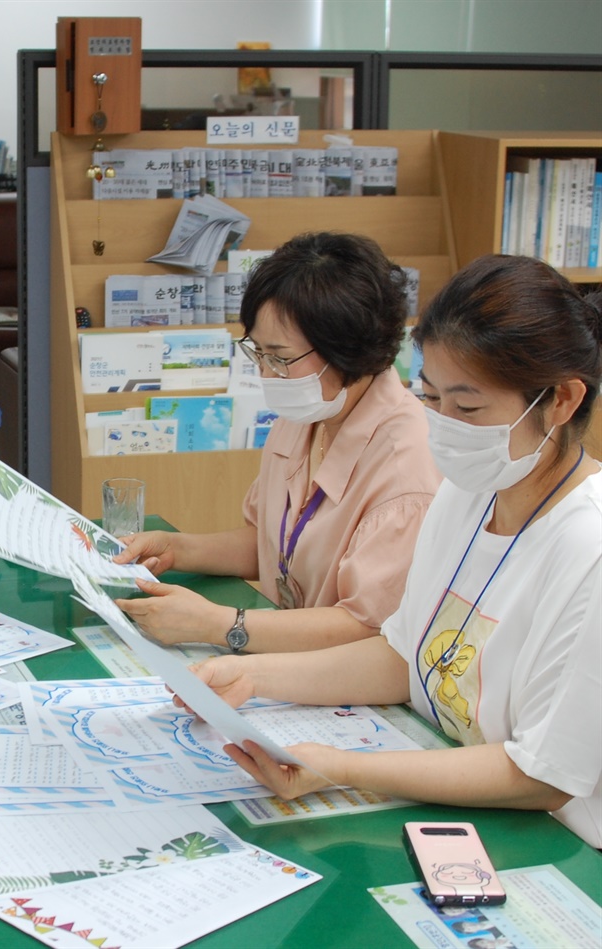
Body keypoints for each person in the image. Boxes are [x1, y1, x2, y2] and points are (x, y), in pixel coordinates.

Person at [176, 256, 602, 847]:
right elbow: (402, 656)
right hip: (447, 791)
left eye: (469, 407)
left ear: (560, 401)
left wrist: (342, 769)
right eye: (430, 398)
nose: (443, 427)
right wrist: (249, 674)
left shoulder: (589, 548)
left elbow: (541, 777)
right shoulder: (467, 493)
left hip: (551, 845)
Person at [114, 232, 440, 652]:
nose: (267, 376)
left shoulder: (406, 471)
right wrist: (177, 548)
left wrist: (220, 625)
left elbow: (369, 629)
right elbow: (275, 546)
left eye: (280, 358)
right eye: (259, 354)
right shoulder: (311, 411)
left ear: (346, 349)